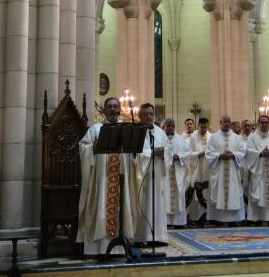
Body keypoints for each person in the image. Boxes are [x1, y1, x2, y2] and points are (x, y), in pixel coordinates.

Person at [76, 97, 137, 255]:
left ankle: (120, 248)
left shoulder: (126, 129)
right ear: (104, 110)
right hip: (101, 181)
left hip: (121, 181)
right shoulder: (96, 129)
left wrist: (135, 154)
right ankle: (99, 249)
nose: (112, 109)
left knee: (121, 209)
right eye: (109, 107)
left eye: (115, 106)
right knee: (101, 207)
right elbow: (83, 147)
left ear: (119, 110)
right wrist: (93, 148)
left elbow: (134, 154)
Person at [133, 103, 169, 246]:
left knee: (158, 204)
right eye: (145, 114)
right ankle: (142, 237)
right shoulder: (136, 132)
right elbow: (133, 155)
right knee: (143, 203)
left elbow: (169, 151)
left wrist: (165, 153)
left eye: (150, 114)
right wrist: (151, 153)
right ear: (139, 116)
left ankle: (158, 236)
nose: (148, 117)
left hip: (157, 174)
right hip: (142, 176)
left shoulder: (160, 132)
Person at [206, 116, 247, 225]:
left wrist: (233, 155)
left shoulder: (236, 138)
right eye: (225, 121)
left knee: (233, 192)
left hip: (233, 170)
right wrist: (219, 156)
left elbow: (243, 152)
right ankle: (219, 219)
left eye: (229, 121)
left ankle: (233, 219)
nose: (227, 123)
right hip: (219, 171)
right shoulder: (214, 137)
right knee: (219, 193)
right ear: (220, 122)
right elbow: (208, 153)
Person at [244, 115, 269, 225]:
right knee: (259, 192)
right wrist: (260, 153)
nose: (264, 124)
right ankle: (257, 218)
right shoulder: (252, 137)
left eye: (266, 122)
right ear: (258, 123)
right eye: (262, 122)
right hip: (258, 170)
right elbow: (248, 152)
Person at [163, 119, 191, 229]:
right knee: (165, 195)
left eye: (172, 125)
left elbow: (187, 152)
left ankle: (179, 222)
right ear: (164, 126)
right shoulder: (161, 139)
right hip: (165, 173)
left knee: (178, 196)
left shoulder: (181, 139)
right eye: (168, 125)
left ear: (174, 126)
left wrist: (178, 156)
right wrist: (169, 158)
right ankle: (166, 222)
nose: (170, 127)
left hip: (178, 172)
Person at [186, 118, 211, 224]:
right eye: (201, 127)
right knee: (196, 192)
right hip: (196, 169)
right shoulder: (193, 137)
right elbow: (188, 152)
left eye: (205, 127)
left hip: (208, 169)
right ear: (198, 126)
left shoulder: (211, 136)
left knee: (207, 192)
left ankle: (207, 217)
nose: (203, 129)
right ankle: (195, 217)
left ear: (208, 126)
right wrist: (198, 154)